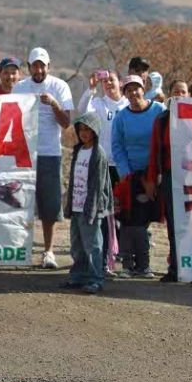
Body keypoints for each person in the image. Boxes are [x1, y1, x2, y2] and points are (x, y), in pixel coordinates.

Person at [13, 47, 73, 269]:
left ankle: (48, 251)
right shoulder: (20, 88)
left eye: (42, 65)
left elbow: (67, 123)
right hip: (24, 155)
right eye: (34, 65)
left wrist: (54, 104)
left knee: (49, 206)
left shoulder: (59, 87)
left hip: (50, 154)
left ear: (49, 66)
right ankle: (21, 249)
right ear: (28, 67)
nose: (38, 69)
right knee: (20, 204)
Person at [111, 75, 166, 278]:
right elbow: (117, 147)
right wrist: (127, 175)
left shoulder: (159, 111)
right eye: (128, 90)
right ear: (124, 93)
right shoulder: (121, 117)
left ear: (144, 89)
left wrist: (154, 176)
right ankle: (128, 265)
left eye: (136, 89)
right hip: (131, 177)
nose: (133, 93)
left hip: (156, 174)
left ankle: (144, 265)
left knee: (145, 222)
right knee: (128, 222)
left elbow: (167, 140)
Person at [76, 69, 128, 275]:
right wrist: (90, 89)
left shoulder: (126, 104)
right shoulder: (98, 103)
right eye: (104, 81)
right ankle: (105, 259)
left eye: (111, 80)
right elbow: (82, 112)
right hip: (102, 164)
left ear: (120, 82)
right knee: (105, 214)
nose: (107, 84)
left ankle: (125, 258)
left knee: (124, 213)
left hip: (122, 166)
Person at [60, 112, 112, 294]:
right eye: (81, 129)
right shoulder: (78, 150)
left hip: (91, 207)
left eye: (88, 130)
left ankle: (96, 279)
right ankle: (78, 277)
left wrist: (92, 208)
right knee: (77, 244)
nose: (84, 133)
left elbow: (98, 184)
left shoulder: (98, 154)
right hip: (76, 205)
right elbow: (74, 179)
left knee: (93, 245)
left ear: (95, 132)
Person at [145, 79, 190, 282]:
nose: (180, 95)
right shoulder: (162, 120)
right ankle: (175, 268)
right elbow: (155, 152)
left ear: (189, 95)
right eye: (176, 91)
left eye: (184, 91)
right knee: (174, 223)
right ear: (170, 94)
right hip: (171, 178)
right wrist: (152, 179)